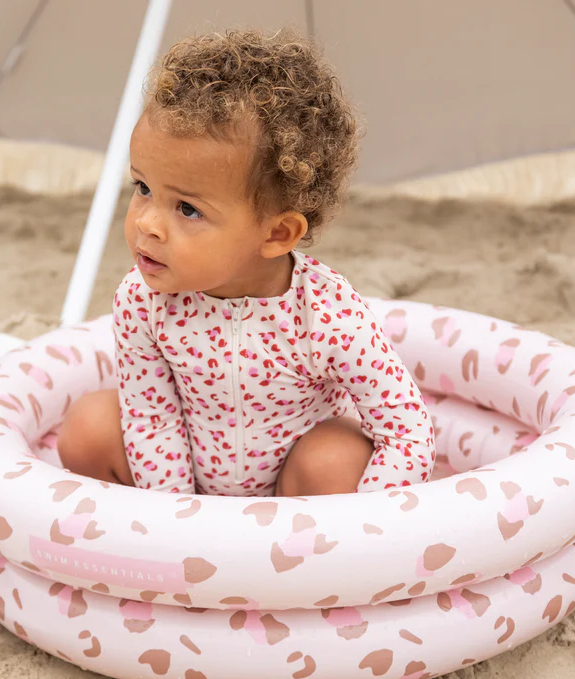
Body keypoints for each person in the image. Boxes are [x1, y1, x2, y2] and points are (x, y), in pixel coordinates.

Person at [58, 27, 435, 497]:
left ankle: (303, 563)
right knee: (88, 425)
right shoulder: (144, 299)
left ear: (276, 233)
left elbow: (406, 433)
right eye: (143, 188)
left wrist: (368, 522)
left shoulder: (327, 316)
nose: (147, 225)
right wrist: (177, 523)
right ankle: (146, 552)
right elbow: (152, 420)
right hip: (187, 483)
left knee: (335, 459)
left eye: (187, 209)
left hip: (295, 495)